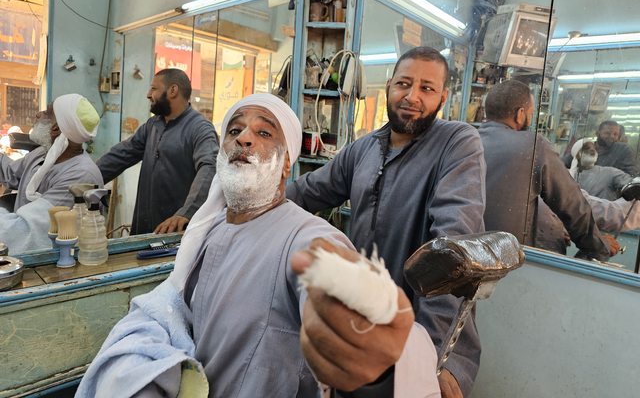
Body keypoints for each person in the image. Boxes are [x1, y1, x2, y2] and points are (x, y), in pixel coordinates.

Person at [76, 94, 439, 398]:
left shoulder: (306, 236)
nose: (244, 138)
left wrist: (371, 357)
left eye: (264, 132)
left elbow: (334, 282)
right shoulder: (212, 231)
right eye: (234, 131)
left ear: (286, 164)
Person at [287, 46, 486, 398]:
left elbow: (452, 247)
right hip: (366, 325)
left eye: (426, 88)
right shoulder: (363, 149)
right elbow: (307, 192)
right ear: (390, 86)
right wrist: (247, 197)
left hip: (431, 334)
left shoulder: (457, 143)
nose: (412, 96)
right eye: (404, 84)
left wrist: (431, 354)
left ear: (442, 98)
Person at [479, 80, 617, 259]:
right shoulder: (533, 146)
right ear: (520, 114)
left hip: (464, 253)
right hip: (505, 259)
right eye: (530, 113)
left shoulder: (466, 141)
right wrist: (599, 245)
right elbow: (571, 204)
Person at [97, 68, 219, 235]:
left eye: (154, 88)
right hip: (143, 230)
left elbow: (209, 167)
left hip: (173, 233)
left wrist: (186, 212)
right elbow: (122, 155)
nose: (148, 94)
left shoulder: (200, 129)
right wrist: (88, 178)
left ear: (173, 90)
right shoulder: (153, 125)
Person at [0, 94, 103, 254]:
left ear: (55, 129)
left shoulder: (80, 176)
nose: (38, 114)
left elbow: (22, 230)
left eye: (46, 113)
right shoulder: (43, 153)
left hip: (57, 260)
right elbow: (10, 173)